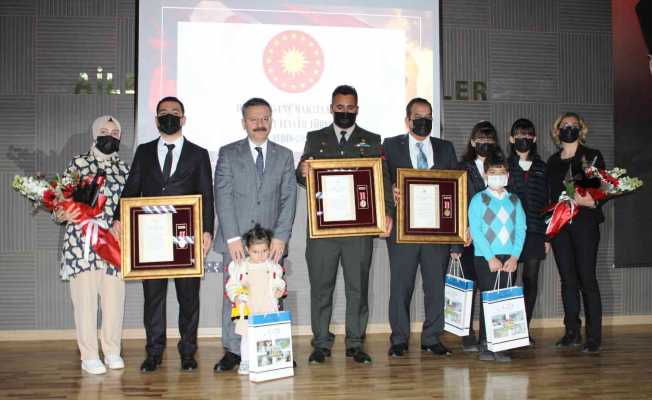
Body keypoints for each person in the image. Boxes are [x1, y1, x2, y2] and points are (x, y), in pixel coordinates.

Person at [113, 96, 215, 372]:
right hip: (151, 240)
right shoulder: (144, 152)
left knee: (189, 298)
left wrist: (206, 230)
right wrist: (117, 218)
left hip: (186, 237)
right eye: (163, 113)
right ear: (157, 119)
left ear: (183, 119)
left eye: (174, 112)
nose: (169, 116)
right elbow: (132, 189)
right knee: (153, 298)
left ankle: (188, 351)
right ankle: (154, 352)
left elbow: (206, 195)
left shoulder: (199, 153)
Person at [296, 85, 392, 365]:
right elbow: (302, 176)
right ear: (331, 107)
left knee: (357, 288)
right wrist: (301, 172)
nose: (345, 112)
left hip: (358, 231)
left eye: (350, 108)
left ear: (357, 109)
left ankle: (355, 343)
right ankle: (321, 343)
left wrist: (386, 212)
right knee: (321, 287)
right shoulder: (315, 138)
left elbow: (382, 180)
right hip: (322, 230)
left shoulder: (372, 140)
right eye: (340, 107)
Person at [213, 97, 297, 372]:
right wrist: (232, 237)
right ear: (244, 123)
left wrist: (281, 236)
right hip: (236, 242)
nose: (260, 124)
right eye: (254, 119)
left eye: (265, 119)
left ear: (271, 120)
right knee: (237, 296)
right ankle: (233, 351)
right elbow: (222, 196)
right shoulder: (228, 153)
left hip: (271, 243)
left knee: (273, 295)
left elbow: (289, 198)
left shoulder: (284, 155)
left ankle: (275, 347)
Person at [382, 98, 462, 358]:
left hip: (437, 232)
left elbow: (457, 191)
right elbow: (379, 178)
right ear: (408, 120)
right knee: (400, 287)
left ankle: (431, 337)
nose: (424, 120)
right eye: (418, 116)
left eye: (428, 116)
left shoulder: (445, 148)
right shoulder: (390, 146)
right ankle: (399, 339)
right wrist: (388, 192)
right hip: (402, 233)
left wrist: (456, 240)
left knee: (435, 287)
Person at [55, 115, 129, 374]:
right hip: (82, 246)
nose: (110, 135)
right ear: (95, 133)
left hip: (114, 246)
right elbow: (58, 202)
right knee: (85, 302)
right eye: (105, 130)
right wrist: (64, 213)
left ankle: (111, 350)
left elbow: (129, 209)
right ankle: (88, 354)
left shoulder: (125, 169)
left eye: (115, 132)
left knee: (113, 302)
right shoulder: (78, 164)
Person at [547, 112, 605, 353]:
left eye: (573, 125)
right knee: (567, 280)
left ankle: (593, 337)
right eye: (564, 125)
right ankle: (572, 331)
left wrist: (592, 202)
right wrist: (548, 234)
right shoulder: (552, 161)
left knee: (587, 279)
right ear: (557, 130)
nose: (568, 128)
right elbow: (550, 198)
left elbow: (602, 188)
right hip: (560, 227)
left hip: (585, 226)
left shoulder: (592, 156)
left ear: (581, 129)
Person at [468, 149, 526, 362]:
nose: (497, 176)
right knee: (489, 299)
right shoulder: (478, 200)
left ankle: (501, 343)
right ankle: (486, 343)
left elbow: (521, 230)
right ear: (485, 175)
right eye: (493, 172)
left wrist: (514, 257)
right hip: (485, 257)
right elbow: (476, 230)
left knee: (505, 301)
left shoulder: (514, 201)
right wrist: (490, 257)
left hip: (509, 256)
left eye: (501, 172)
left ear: (508, 176)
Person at [457, 121, 501, 351]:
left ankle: (489, 334)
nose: (484, 144)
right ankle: (466, 333)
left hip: (494, 238)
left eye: (489, 140)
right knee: (469, 285)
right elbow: (456, 200)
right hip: (468, 236)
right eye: (480, 140)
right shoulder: (461, 167)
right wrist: (464, 231)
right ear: (473, 142)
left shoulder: (502, 167)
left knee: (489, 285)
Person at [506, 119, 549, 344]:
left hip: (534, 232)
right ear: (511, 138)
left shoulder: (542, 166)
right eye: (519, 135)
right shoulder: (503, 165)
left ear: (535, 139)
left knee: (530, 282)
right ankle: (508, 331)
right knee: (508, 281)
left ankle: (524, 330)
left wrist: (547, 236)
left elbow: (549, 202)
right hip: (508, 234)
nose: (523, 139)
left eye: (528, 135)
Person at [225, 224, 286, 375]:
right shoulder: (240, 267)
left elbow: (279, 281)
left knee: (267, 334)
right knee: (247, 336)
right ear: (247, 250)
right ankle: (245, 361)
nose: (261, 255)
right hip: (247, 308)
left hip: (266, 305)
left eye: (265, 251)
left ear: (269, 248)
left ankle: (267, 360)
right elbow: (231, 285)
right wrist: (237, 296)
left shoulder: (272, 266)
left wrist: (279, 290)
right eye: (255, 252)